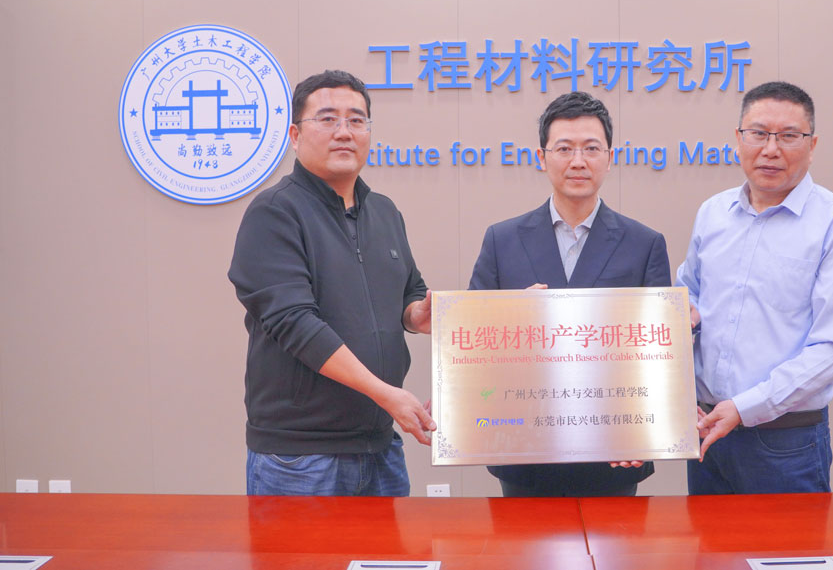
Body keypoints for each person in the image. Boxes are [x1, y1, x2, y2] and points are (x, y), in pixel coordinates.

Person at [229, 70, 436, 496]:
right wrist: (386, 394)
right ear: (295, 135)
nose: (344, 132)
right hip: (301, 458)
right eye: (327, 119)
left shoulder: (384, 212)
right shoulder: (274, 213)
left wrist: (418, 315)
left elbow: (410, 292)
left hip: (380, 447)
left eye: (356, 120)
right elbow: (295, 323)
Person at [468, 91, 671, 497]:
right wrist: (512, 317)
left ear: (609, 158)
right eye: (564, 149)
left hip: (614, 454)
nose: (578, 161)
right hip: (526, 455)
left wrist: (646, 432)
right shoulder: (502, 240)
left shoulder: (644, 243)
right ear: (541, 158)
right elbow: (473, 342)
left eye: (591, 148)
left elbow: (660, 353)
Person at [676, 81, 833, 495]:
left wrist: (745, 408)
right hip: (707, 431)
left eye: (788, 136)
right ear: (738, 139)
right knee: (706, 539)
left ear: (812, 145)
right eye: (759, 133)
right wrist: (684, 314)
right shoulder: (713, 213)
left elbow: (831, 348)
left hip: (785, 442)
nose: (770, 149)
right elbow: (688, 292)